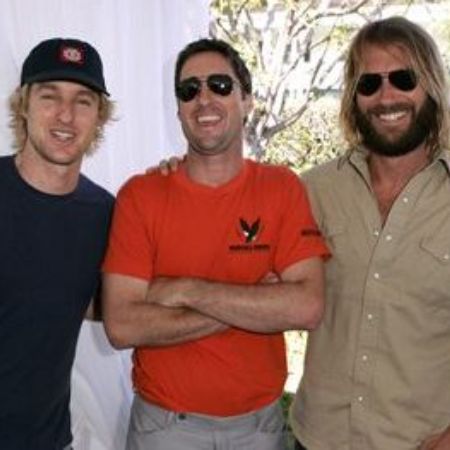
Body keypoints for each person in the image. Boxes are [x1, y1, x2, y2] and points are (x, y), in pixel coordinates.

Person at [102, 38, 329, 450]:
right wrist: (256, 303)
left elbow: (307, 306)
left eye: (220, 86)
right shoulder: (140, 195)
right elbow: (122, 325)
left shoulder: (282, 189)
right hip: (165, 427)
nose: (204, 99)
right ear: (179, 110)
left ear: (247, 101)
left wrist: (186, 290)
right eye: (190, 90)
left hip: (259, 428)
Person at [290, 16, 450, 450]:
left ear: (431, 86)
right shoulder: (312, 191)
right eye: (369, 84)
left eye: (403, 78)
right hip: (319, 438)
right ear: (353, 97)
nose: (386, 97)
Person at [0, 38, 114, 450]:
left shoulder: (103, 211)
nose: (65, 114)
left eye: (83, 101)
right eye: (50, 96)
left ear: (99, 117)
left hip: (47, 439)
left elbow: (101, 304)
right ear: (24, 105)